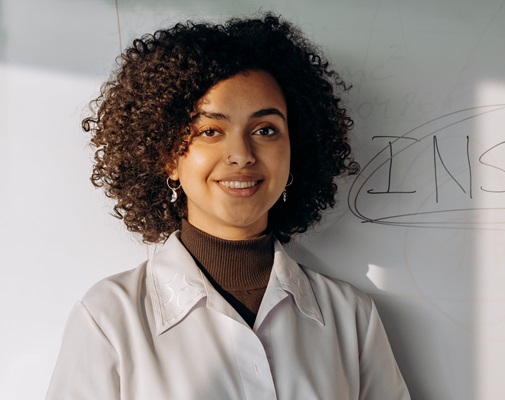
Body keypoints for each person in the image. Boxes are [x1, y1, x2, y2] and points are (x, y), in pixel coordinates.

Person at [47, 13, 410, 399]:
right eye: (210, 131)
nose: (241, 154)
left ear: (295, 149)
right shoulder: (108, 319)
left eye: (265, 130)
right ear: (169, 157)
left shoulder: (351, 317)